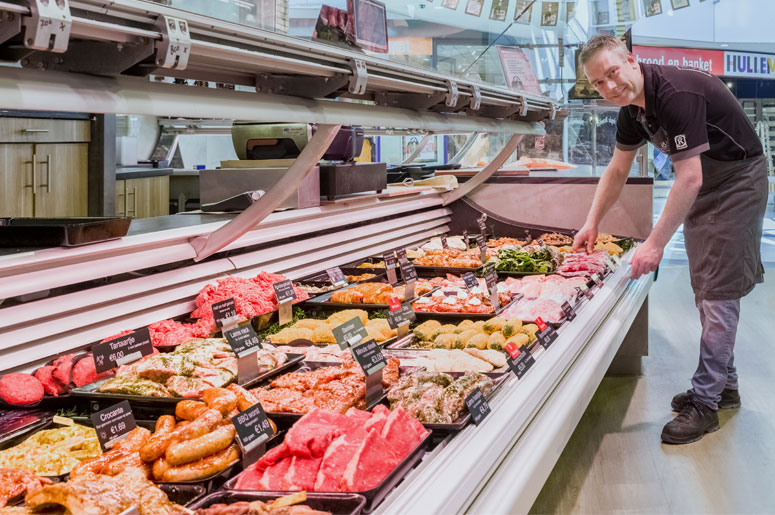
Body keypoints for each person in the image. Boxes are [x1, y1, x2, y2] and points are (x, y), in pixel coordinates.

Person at [572, 35, 768, 444]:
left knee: (718, 291)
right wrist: (591, 222)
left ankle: (706, 402)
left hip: (737, 180)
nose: (609, 87)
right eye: (598, 84)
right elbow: (617, 170)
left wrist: (655, 243)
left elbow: (689, 177)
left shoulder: (674, 93)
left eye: (612, 73)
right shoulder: (632, 110)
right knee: (707, 286)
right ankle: (724, 385)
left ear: (631, 60)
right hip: (706, 184)